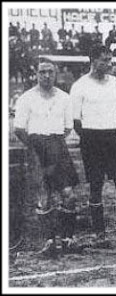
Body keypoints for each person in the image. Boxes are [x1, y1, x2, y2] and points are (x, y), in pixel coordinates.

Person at [71, 45, 116, 246]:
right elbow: (76, 121)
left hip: (113, 137)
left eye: (110, 60)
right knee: (96, 186)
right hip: (91, 138)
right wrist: (90, 136)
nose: (109, 64)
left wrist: (108, 128)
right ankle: (99, 235)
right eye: (105, 60)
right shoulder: (79, 86)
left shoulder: (115, 82)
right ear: (93, 61)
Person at [13, 58, 81, 257]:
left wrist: (54, 145)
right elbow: (19, 129)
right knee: (45, 197)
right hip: (35, 147)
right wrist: (37, 148)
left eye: (50, 71)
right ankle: (49, 241)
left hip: (58, 147)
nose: (46, 75)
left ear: (56, 73)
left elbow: (68, 127)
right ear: (36, 74)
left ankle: (68, 239)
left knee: (69, 195)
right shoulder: (26, 98)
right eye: (42, 72)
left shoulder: (64, 98)